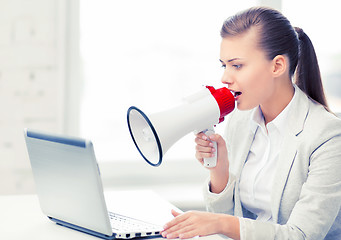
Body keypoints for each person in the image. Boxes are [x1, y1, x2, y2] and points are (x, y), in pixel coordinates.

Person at [161, 6, 341, 240]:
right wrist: (220, 172)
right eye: (223, 65)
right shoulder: (242, 120)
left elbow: (301, 235)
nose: (225, 77)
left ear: (277, 66)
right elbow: (227, 225)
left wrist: (220, 223)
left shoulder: (327, 136)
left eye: (237, 65)